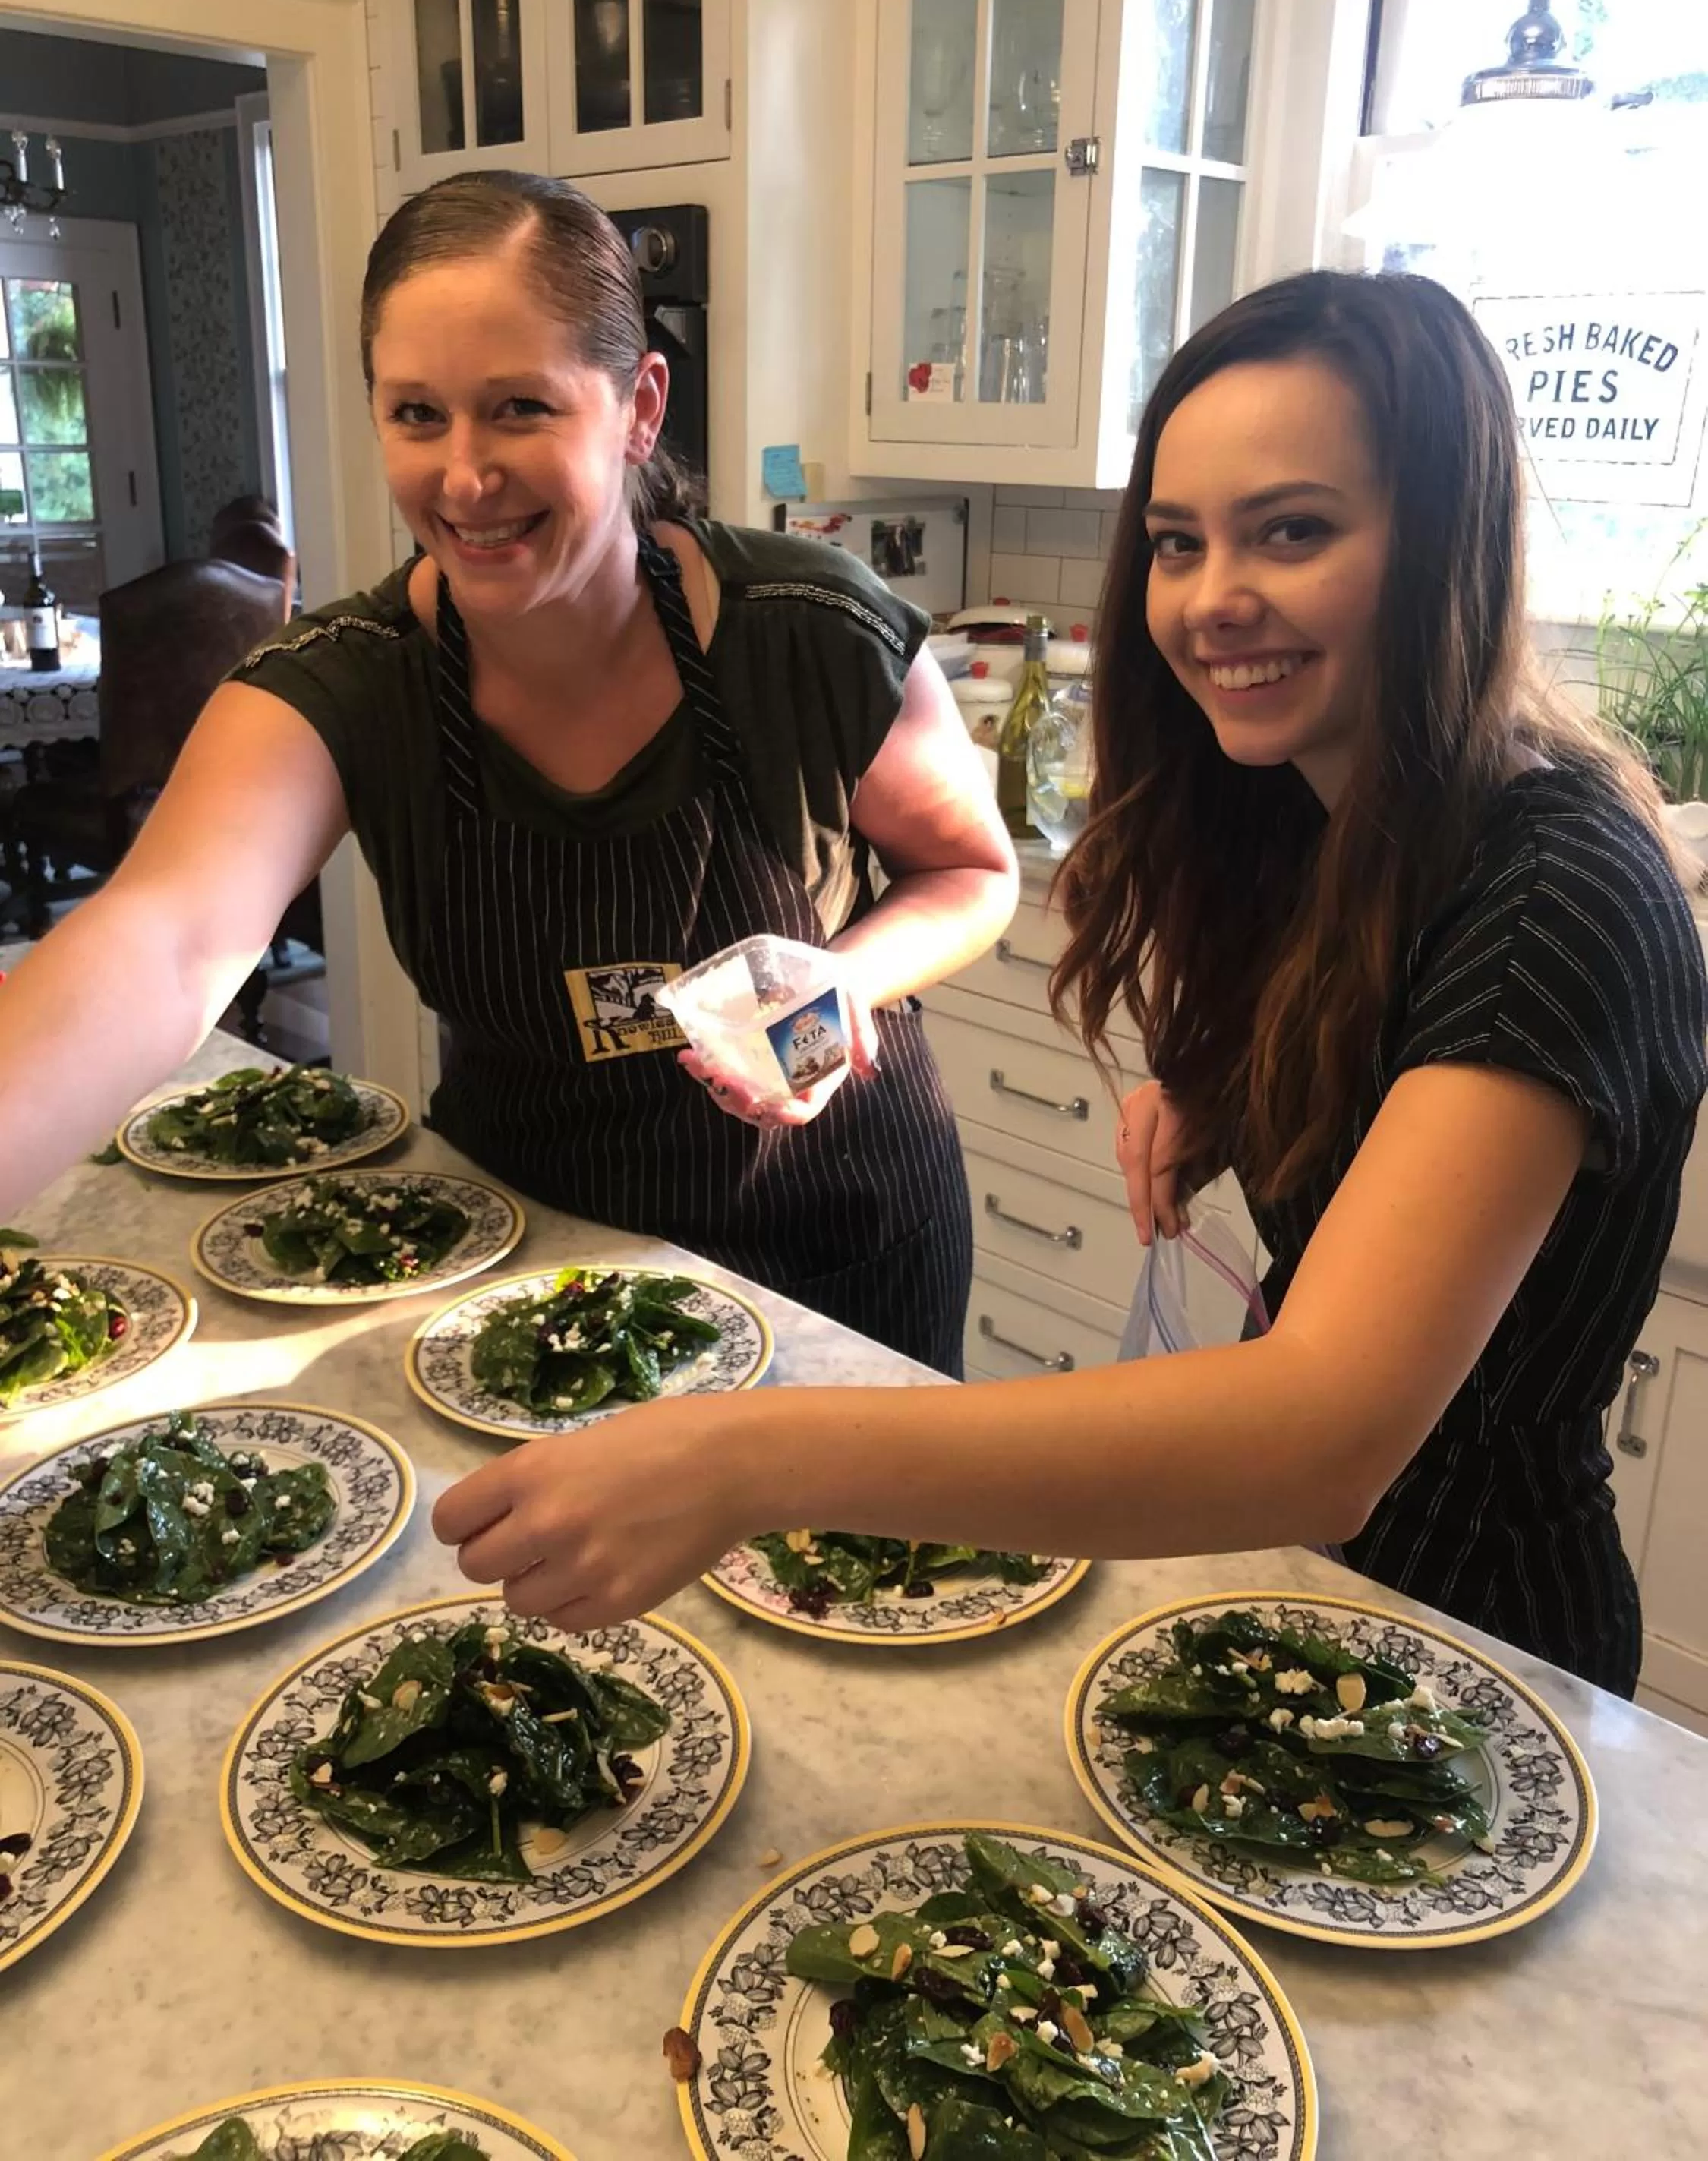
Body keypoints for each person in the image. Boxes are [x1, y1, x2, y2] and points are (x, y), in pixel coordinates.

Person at [435, 269, 1707, 1697]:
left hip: (1475, 1657)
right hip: (1287, 1601)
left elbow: (1318, 1438)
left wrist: (742, 1457)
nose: (1216, 600)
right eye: (1176, 543)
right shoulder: (1323, 809)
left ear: (1442, 544)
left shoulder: (1558, 890)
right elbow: (1393, 1061)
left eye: (1292, 531)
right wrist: (1224, 1086)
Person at [0, 171, 1017, 1377]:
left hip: (840, 1258)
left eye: (520, 408)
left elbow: (969, 869)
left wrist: (846, 978)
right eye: (417, 414)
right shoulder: (346, 685)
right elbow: (162, 942)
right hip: (536, 1274)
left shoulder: (811, 634)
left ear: (638, 407)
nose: (466, 477)